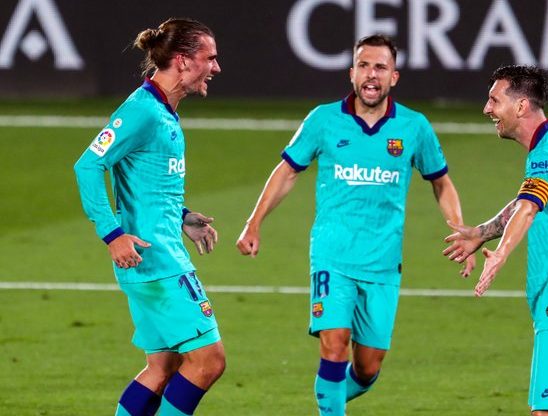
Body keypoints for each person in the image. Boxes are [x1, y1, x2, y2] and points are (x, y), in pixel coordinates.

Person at [236, 34, 475, 415]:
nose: (371, 74)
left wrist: (461, 229)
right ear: (351, 73)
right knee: (334, 344)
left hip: (382, 262)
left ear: (394, 77)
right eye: (364, 65)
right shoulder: (323, 120)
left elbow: (441, 182)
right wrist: (254, 222)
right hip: (332, 255)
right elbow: (287, 171)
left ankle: (329, 397)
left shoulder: (414, 127)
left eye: (380, 67)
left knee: (368, 367)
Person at [74, 18, 224, 416]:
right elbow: (87, 166)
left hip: (154, 256)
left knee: (162, 367)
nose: (216, 67)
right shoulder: (142, 111)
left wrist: (182, 216)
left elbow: (149, 185)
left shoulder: (162, 110)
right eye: (209, 58)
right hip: (157, 263)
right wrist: (112, 234)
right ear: (183, 60)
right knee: (209, 362)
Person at [443, 65, 548, 415]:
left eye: (494, 100)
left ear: (520, 106)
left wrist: (501, 253)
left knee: (546, 411)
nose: (487, 109)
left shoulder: (546, 155)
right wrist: (482, 232)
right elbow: (527, 200)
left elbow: (529, 208)